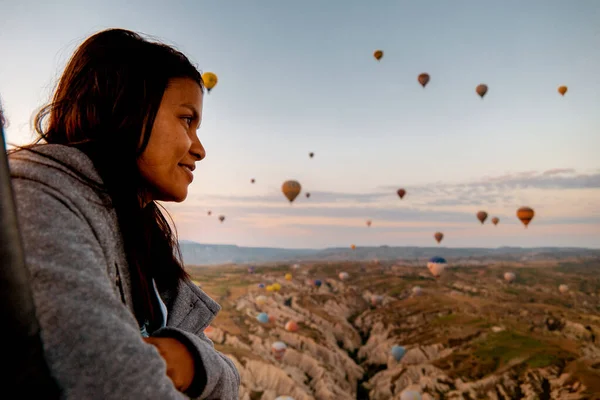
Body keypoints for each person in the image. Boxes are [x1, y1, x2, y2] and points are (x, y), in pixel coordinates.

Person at [7, 28, 240, 399]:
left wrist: (193, 360)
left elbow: (227, 378)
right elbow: (104, 377)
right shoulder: (37, 194)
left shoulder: (140, 234)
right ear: (124, 107)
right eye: (186, 120)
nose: (199, 149)